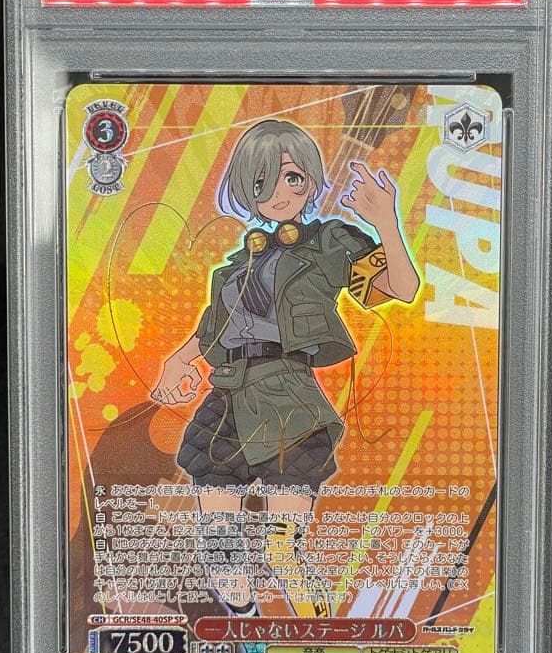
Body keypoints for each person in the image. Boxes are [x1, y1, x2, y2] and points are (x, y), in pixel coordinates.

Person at [152, 118, 419, 618]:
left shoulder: (329, 243)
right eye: (262, 181)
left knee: (282, 551)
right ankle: (249, 638)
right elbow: (213, 331)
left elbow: (401, 289)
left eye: (292, 177)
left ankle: (321, 646)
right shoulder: (237, 265)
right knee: (221, 549)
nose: (279, 192)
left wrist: (387, 223)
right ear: (245, 189)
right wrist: (177, 361)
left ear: (311, 182)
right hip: (228, 399)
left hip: (289, 400)